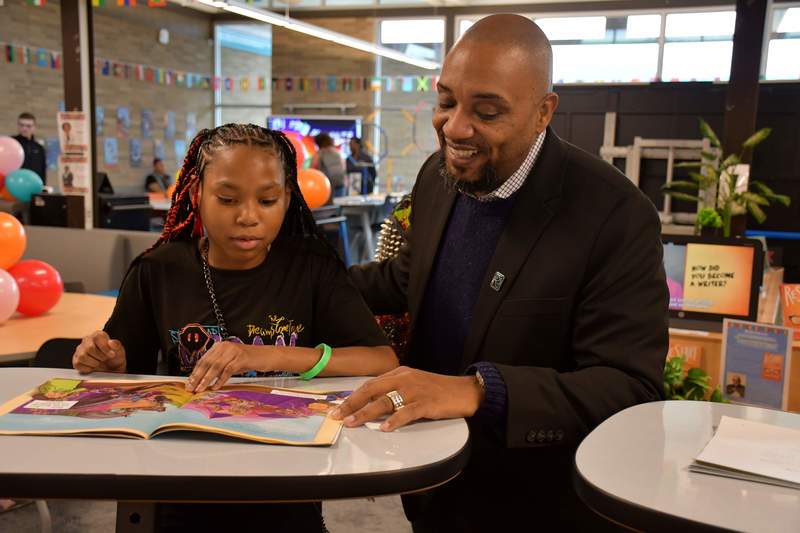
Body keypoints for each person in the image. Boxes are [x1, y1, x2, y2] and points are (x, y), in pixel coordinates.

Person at [334, 14, 669, 531]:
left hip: (537, 503)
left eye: (486, 112)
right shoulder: (438, 176)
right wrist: (299, 281)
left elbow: (627, 386)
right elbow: (409, 280)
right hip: (433, 488)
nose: (455, 127)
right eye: (446, 102)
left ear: (543, 113)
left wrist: (478, 390)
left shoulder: (614, 216)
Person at [72, 123, 397, 532]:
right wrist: (105, 360)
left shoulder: (311, 267)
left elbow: (381, 360)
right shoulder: (159, 271)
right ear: (196, 195)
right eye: (227, 199)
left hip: (287, 488)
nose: (248, 217)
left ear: (287, 199)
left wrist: (269, 354)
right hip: (180, 487)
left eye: (267, 200)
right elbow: (125, 380)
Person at [13, 112, 47, 185]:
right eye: (22, 125)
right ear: (18, 126)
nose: (24, 128)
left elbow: (43, 171)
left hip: (34, 187)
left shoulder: (39, 148)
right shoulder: (12, 143)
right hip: (14, 186)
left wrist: (43, 188)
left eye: (28, 126)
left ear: (34, 127)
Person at [310, 133, 346, 197]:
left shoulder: (319, 153)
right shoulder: (338, 152)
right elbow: (343, 168)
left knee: (328, 206)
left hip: (326, 185)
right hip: (340, 184)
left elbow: (312, 169)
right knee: (339, 204)